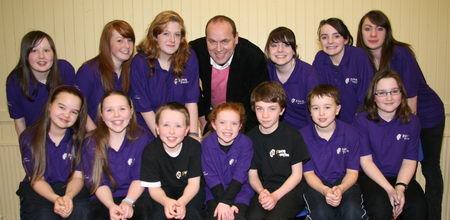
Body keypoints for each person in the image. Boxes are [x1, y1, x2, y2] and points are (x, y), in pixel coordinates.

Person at [357, 10, 445, 219]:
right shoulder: (362, 58)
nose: (373, 34)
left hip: (425, 113)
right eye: (367, 28)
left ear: (387, 32)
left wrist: (401, 128)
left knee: (430, 168)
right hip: (395, 116)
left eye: (379, 28)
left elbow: (410, 103)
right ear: (360, 33)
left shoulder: (400, 54)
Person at [354, 70, 427, 220]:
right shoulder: (361, 121)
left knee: (418, 208)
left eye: (394, 91)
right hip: (371, 178)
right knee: (381, 209)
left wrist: (399, 188)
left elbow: (409, 161)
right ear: (373, 97)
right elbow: (366, 161)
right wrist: (390, 190)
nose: (389, 97)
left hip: (400, 177)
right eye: (382, 93)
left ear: (401, 94)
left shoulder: (413, 122)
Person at [17, 85, 89, 219]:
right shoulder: (29, 137)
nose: (66, 115)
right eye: (61, 107)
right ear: (50, 105)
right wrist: (56, 199)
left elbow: (78, 177)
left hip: (71, 187)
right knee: (44, 214)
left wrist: (67, 197)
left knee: (81, 210)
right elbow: (36, 178)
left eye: (74, 112)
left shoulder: (81, 140)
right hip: (39, 188)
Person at [190, 15, 269, 132]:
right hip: (211, 117)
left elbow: (258, 101)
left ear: (236, 38)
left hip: (244, 120)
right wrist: (202, 118)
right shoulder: (194, 52)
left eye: (225, 41)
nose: (218, 49)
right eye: (212, 41)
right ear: (205, 39)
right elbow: (190, 88)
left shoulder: (253, 57)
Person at [81, 91, 152, 220]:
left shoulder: (142, 137)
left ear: (131, 112)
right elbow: (98, 182)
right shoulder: (91, 142)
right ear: (101, 115)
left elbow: (140, 177)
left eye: (122, 109)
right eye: (109, 110)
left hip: (136, 195)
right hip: (104, 198)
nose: (116, 115)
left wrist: (128, 202)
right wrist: (111, 206)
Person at [130, 10, 200, 140]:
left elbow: (191, 100)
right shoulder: (140, 62)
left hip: (180, 131)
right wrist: (163, 138)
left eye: (177, 34)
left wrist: (193, 135)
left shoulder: (189, 58)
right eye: (166, 33)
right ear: (155, 36)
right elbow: (144, 108)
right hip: (149, 131)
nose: (172, 40)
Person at [300, 84, 366, 220]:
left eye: (327, 107)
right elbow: (309, 174)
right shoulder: (302, 136)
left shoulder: (351, 133)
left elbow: (352, 172)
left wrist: (340, 189)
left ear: (338, 109)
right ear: (310, 111)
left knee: (352, 211)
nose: (321, 113)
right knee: (321, 213)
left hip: (345, 183)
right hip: (316, 184)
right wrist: (325, 190)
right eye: (316, 108)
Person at [246, 81, 310, 220]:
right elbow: (252, 175)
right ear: (253, 109)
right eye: (260, 109)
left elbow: (297, 175)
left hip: (290, 190)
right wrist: (262, 191)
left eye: (272, 109)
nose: (265, 115)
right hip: (264, 190)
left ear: (281, 110)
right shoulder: (249, 138)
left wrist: (275, 196)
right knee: (253, 217)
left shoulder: (293, 135)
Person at [140, 102, 203, 220]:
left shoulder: (194, 147)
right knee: (157, 215)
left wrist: (182, 202)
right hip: (162, 192)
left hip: (188, 190)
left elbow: (194, 184)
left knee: (193, 214)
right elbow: (154, 189)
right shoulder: (150, 151)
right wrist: (166, 202)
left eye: (178, 126)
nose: (172, 131)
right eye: (166, 125)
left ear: (186, 130)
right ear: (157, 129)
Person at [6, 31, 76, 136]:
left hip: (67, 141)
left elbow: (77, 109)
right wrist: (25, 149)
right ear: (25, 55)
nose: (41, 56)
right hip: (36, 142)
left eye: (46, 50)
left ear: (53, 53)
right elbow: (19, 121)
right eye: (34, 50)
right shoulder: (15, 81)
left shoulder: (65, 70)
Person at [76, 20, 135, 131]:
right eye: (119, 40)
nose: (126, 45)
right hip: (94, 137)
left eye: (130, 40)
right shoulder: (89, 70)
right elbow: (78, 107)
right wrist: (95, 136)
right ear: (107, 43)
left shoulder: (131, 70)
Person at [312, 18, 373, 123]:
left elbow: (367, 93)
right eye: (324, 37)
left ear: (345, 39)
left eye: (336, 36)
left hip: (359, 120)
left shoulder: (359, 56)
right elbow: (319, 95)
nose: (330, 41)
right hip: (331, 122)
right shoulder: (320, 59)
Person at [202, 102, 254, 220]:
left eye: (234, 123)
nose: (228, 128)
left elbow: (239, 176)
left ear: (240, 126)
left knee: (238, 217)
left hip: (240, 191)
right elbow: (211, 178)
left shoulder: (246, 143)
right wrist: (224, 203)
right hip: (215, 192)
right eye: (222, 122)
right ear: (214, 124)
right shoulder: (206, 144)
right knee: (218, 217)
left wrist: (227, 202)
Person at [265, 26, 319, 130]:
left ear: (294, 50)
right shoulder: (265, 70)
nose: (280, 50)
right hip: (276, 134)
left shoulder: (308, 74)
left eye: (286, 45)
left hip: (304, 133)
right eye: (274, 45)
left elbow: (317, 112)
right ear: (268, 50)